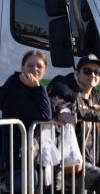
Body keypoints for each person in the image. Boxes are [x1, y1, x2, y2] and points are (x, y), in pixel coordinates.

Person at [47, 54, 100, 194]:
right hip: (68, 161)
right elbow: (66, 112)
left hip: (88, 159)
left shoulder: (95, 94)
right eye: (87, 71)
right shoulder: (64, 86)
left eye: (97, 72)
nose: (93, 75)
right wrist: (97, 116)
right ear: (77, 73)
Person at [0, 51, 53, 192]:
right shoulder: (14, 85)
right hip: (16, 160)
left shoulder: (37, 88)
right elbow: (45, 115)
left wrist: (37, 88)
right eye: (30, 65)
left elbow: (48, 113)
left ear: (45, 70)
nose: (34, 69)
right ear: (22, 67)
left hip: (33, 158)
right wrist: (37, 88)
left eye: (39, 66)